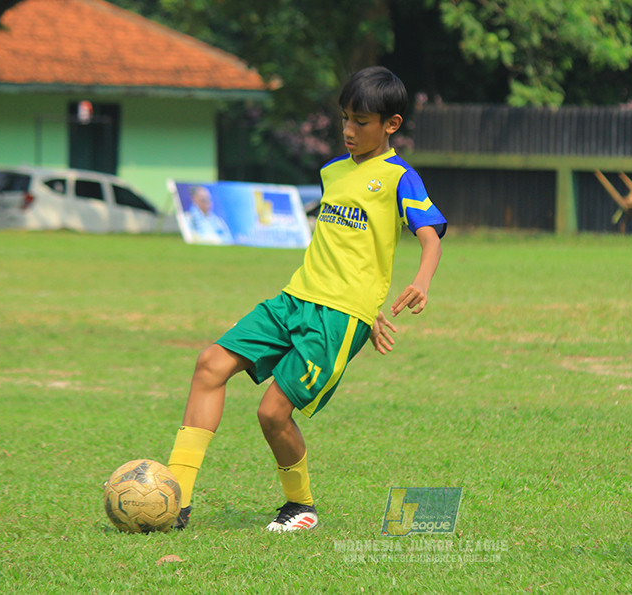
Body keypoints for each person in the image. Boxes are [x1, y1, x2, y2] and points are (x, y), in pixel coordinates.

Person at [166, 66, 447, 531]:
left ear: (391, 124)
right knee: (209, 363)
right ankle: (174, 500)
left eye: (360, 121)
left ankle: (301, 506)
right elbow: (347, 246)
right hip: (294, 297)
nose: (348, 130)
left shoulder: (400, 177)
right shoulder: (332, 172)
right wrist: (371, 302)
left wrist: (420, 281)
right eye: (345, 118)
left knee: (272, 413)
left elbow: (431, 236)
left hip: (337, 319)